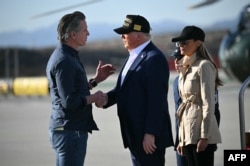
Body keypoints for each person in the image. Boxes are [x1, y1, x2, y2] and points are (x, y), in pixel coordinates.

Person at [96, 15, 174, 166]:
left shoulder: (154, 58)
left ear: (138, 35)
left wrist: (150, 133)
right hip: (134, 135)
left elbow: (156, 100)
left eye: (125, 33)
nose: (121, 37)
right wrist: (106, 99)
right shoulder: (133, 56)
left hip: (147, 138)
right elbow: (122, 90)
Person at [46, 11, 115, 166]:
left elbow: (71, 89)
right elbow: (69, 101)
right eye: (85, 30)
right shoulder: (65, 61)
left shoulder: (66, 56)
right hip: (70, 131)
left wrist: (96, 81)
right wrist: (94, 97)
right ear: (73, 34)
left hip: (67, 129)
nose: (88, 33)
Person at [171, 25, 223, 166]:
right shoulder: (184, 68)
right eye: (178, 43)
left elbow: (208, 103)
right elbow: (183, 105)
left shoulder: (204, 66)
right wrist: (181, 139)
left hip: (200, 133)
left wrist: (204, 136)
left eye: (184, 42)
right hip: (187, 133)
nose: (180, 45)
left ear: (198, 43)